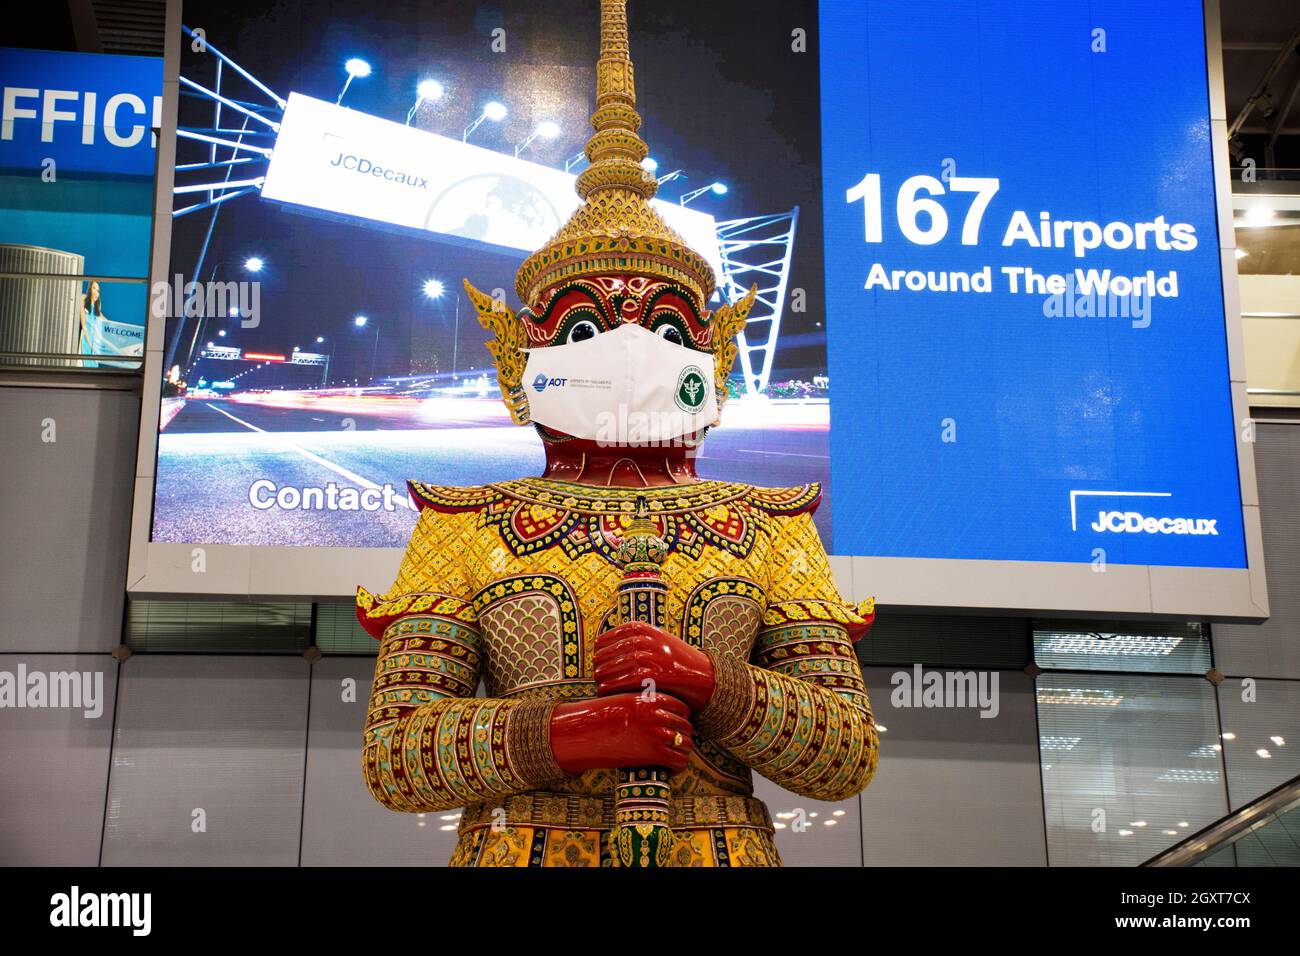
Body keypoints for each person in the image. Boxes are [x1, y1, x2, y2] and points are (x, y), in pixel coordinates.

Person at [356, 0, 878, 867]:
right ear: (522, 359)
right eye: (588, 333)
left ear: (713, 356)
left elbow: (845, 755)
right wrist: (568, 733)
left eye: (669, 331)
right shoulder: (464, 528)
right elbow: (396, 755)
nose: (633, 352)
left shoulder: (767, 528)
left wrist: (715, 686)